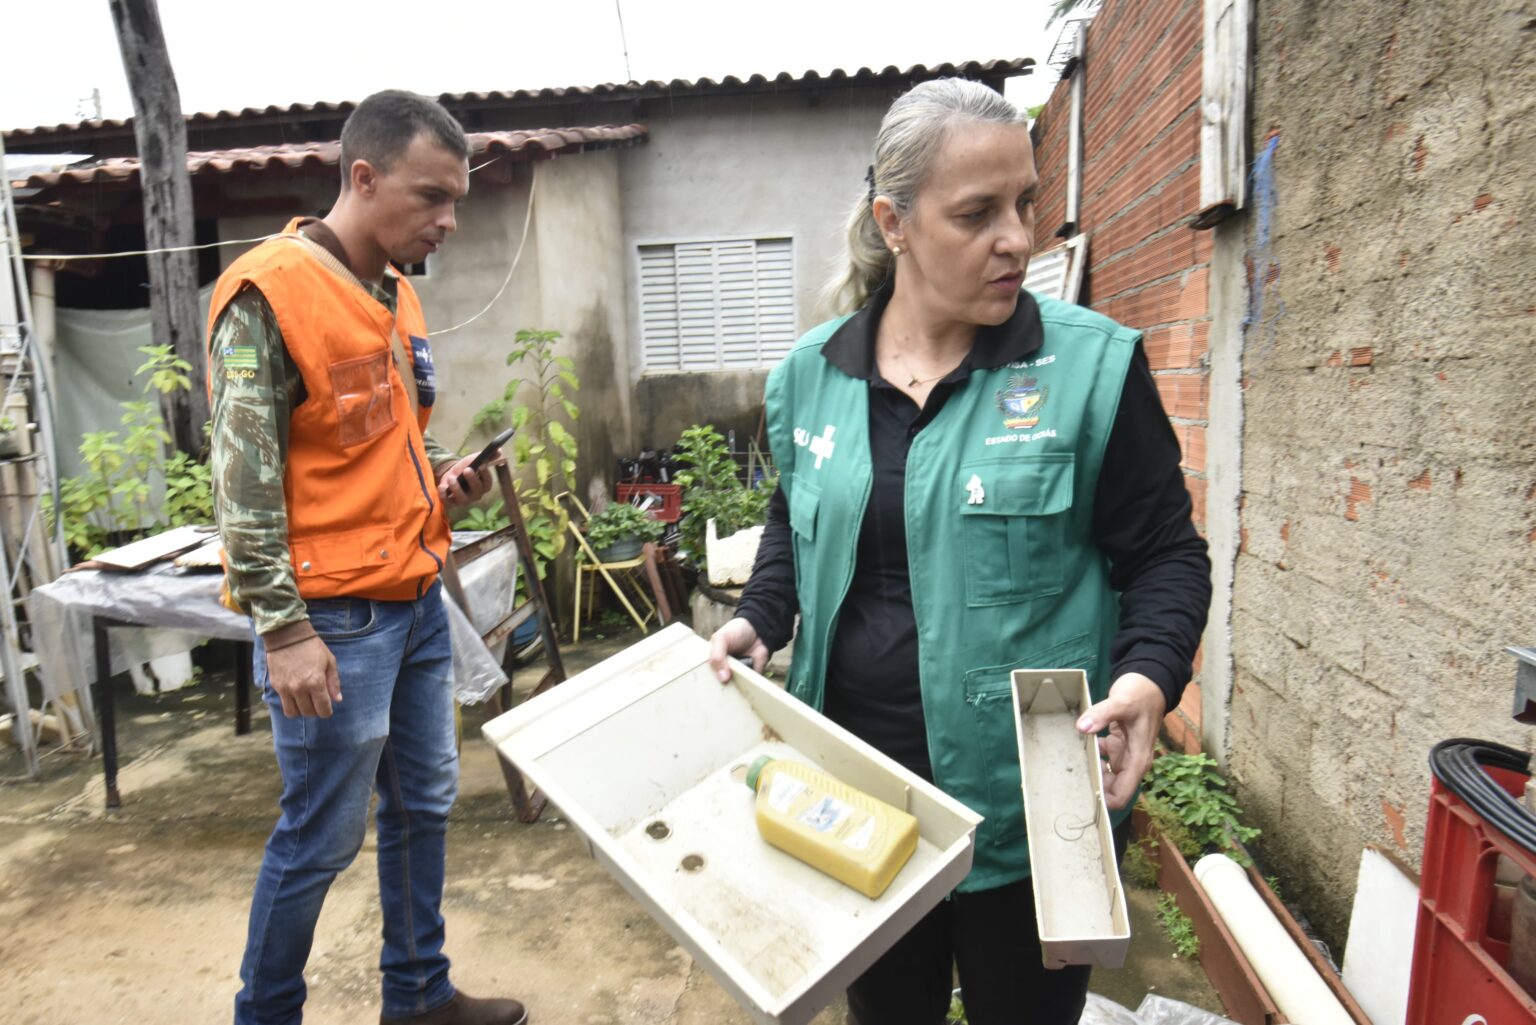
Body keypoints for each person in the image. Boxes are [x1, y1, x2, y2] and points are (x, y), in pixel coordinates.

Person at [708, 79, 1211, 1025]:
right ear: (893, 222)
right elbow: (795, 519)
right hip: (858, 798)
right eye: (977, 213)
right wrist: (758, 616)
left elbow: (1167, 556)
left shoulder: (1089, 370)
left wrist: (1149, 676)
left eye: (1025, 203)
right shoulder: (811, 377)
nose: (1018, 237)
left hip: (1029, 809)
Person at [208, 90, 527, 1025]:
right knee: (320, 835)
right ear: (363, 177)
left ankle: (419, 994)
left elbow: (370, 451)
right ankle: (265, 1014)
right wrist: (283, 628)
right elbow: (244, 483)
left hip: (417, 598)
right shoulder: (270, 294)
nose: (448, 219)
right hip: (333, 623)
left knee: (426, 802)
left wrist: (443, 482)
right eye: (431, 196)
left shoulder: (396, 292)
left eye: (455, 199)